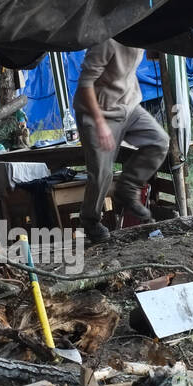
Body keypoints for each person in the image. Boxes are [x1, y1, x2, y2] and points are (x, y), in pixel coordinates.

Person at [72, 39, 170, 243]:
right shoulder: (105, 42)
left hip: (128, 106)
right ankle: (90, 221)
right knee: (101, 173)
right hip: (96, 112)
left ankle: (127, 188)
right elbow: (85, 84)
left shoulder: (139, 35)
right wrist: (100, 124)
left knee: (159, 141)